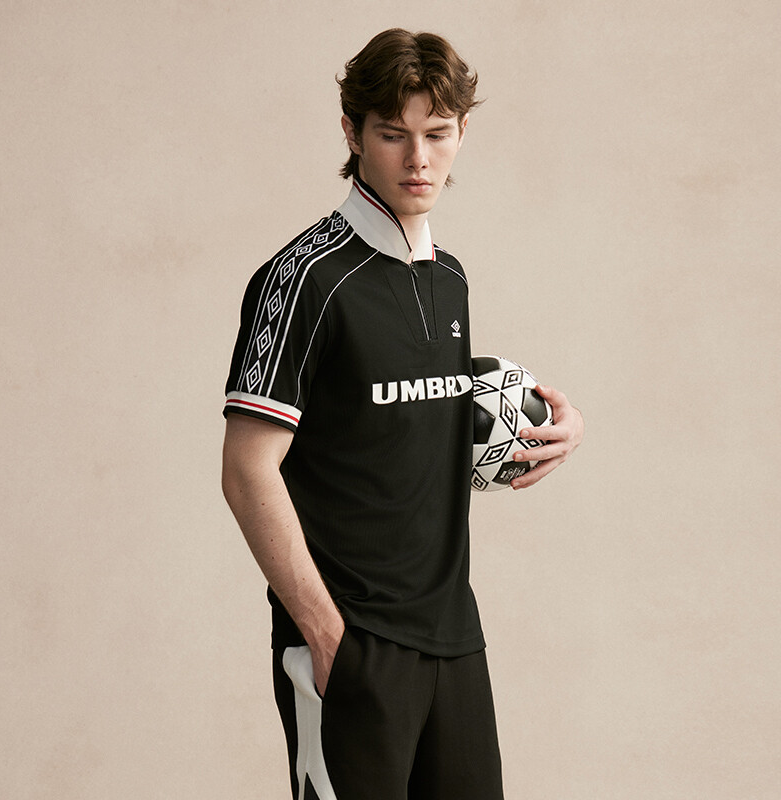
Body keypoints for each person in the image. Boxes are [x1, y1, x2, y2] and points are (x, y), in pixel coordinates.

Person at [221, 28, 584, 800]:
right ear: (352, 133)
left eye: (437, 134)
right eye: (393, 134)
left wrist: (553, 428)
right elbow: (247, 470)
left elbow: (417, 417)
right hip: (352, 645)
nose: (418, 159)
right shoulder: (303, 280)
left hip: (454, 638)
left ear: (462, 134)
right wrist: (325, 635)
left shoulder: (450, 279)